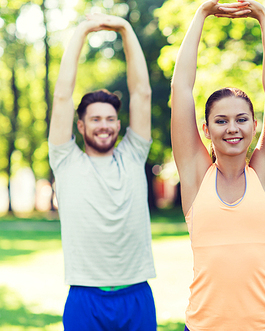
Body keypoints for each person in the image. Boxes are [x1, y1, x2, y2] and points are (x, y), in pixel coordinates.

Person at [170, 1, 265, 330]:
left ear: (254, 125)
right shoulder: (195, 176)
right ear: (205, 129)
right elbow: (181, 88)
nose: (232, 128)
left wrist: (264, 18)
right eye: (221, 120)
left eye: (241, 119)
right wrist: (201, 15)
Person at [48, 14, 156, 330]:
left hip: (137, 293)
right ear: (80, 125)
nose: (104, 125)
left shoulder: (134, 155)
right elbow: (62, 96)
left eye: (110, 119)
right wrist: (82, 31)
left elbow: (142, 93)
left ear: (119, 124)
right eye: (95, 119)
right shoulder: (66, 160)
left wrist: (125, 29)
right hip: (85, 296)